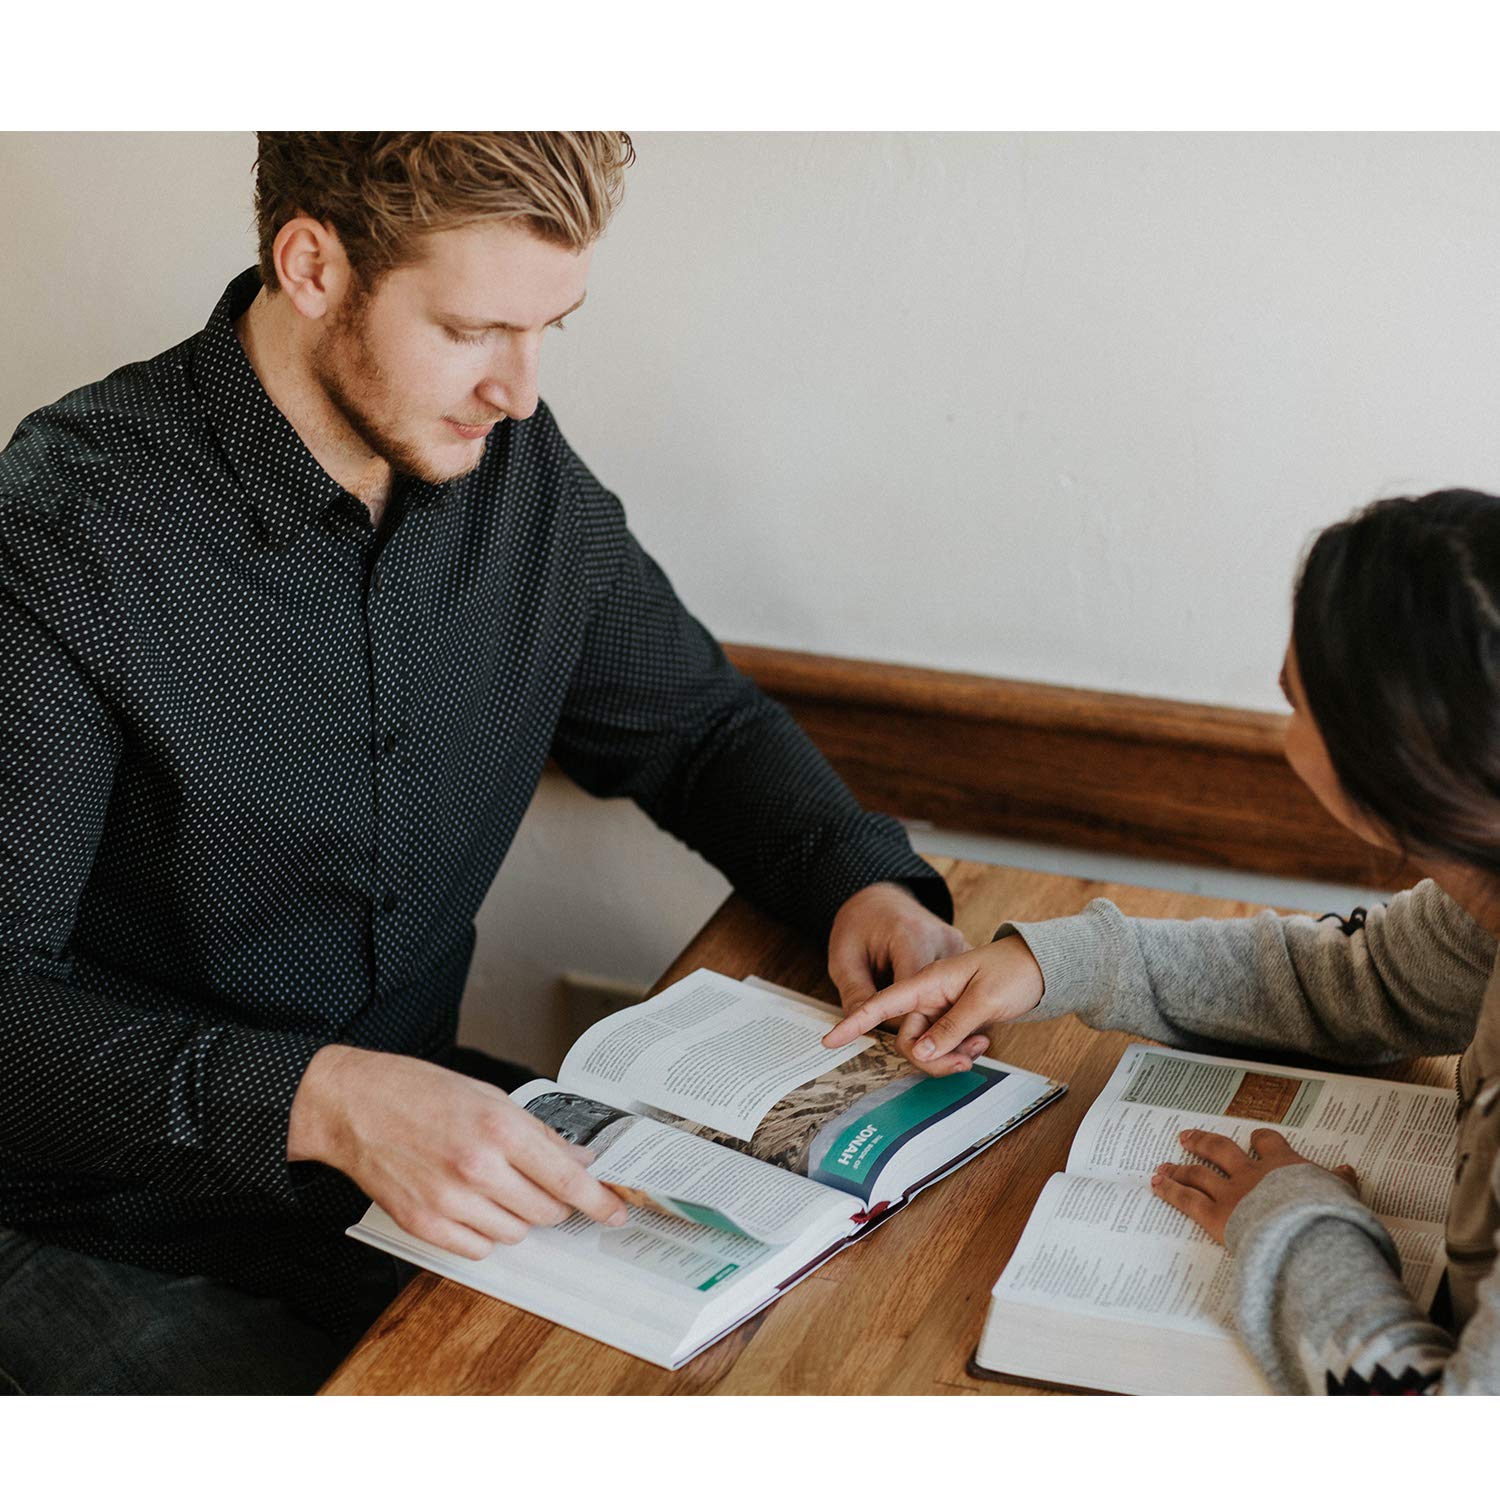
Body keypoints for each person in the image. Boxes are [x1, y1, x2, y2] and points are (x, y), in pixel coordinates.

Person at [0, 132, 964, 1395]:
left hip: (396, 1167)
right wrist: (323, 1099)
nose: (517, 387)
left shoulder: (519, 481)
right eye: (470, 330)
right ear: (311, 267)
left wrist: (860, 880)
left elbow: (697, 728)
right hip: (89, 1213)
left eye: (551, 325)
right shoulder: (65, 535)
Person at [826, 488, 1500, 1394]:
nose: (1279, 701)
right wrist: (1061, 961)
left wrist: (1297, 1220)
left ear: (1398, 771)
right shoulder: (1481, 901)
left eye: (1299, 700)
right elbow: (1365, 978)